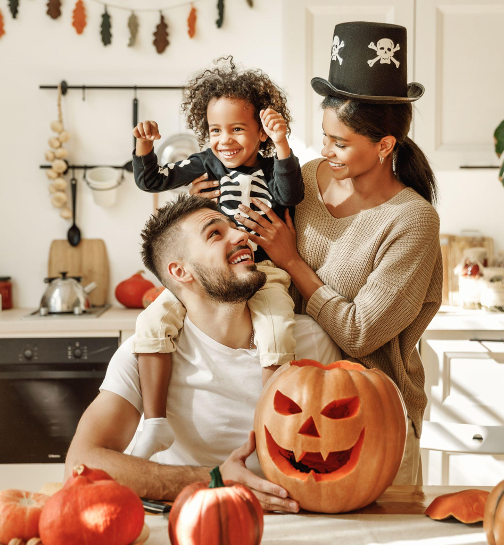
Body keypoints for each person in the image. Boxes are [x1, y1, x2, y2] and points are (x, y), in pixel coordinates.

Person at [191, 21, 443, 486]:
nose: (325, 151)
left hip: (368, 424)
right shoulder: (303, 179)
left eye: (340, 143)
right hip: (286, 416)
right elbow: (239, 243)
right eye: (324, 136)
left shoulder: (412, 221)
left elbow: (360, 332)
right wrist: (204, 203)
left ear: (385, 145)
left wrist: (293, 263)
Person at [65, 195, 341, 510]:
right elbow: (80, 465)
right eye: (215, 233)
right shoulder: (143, 355)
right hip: (189, 519)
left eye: (234, 227)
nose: (242, 235)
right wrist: (214, 479)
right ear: (181, 272)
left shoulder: (311, 341)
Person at [130, 58, 305, 459]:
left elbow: (292, 194)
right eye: (214, 130)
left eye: (237, 129)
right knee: (153, 320)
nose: (224, 140)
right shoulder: (204, 163)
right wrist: (144, 147)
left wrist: (282, 146)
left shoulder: (272, 165)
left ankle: (270, 425)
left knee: (278, 328)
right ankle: (155, 422)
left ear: (260, 131)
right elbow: (151, 180)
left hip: (263, 272)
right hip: (210, 275)